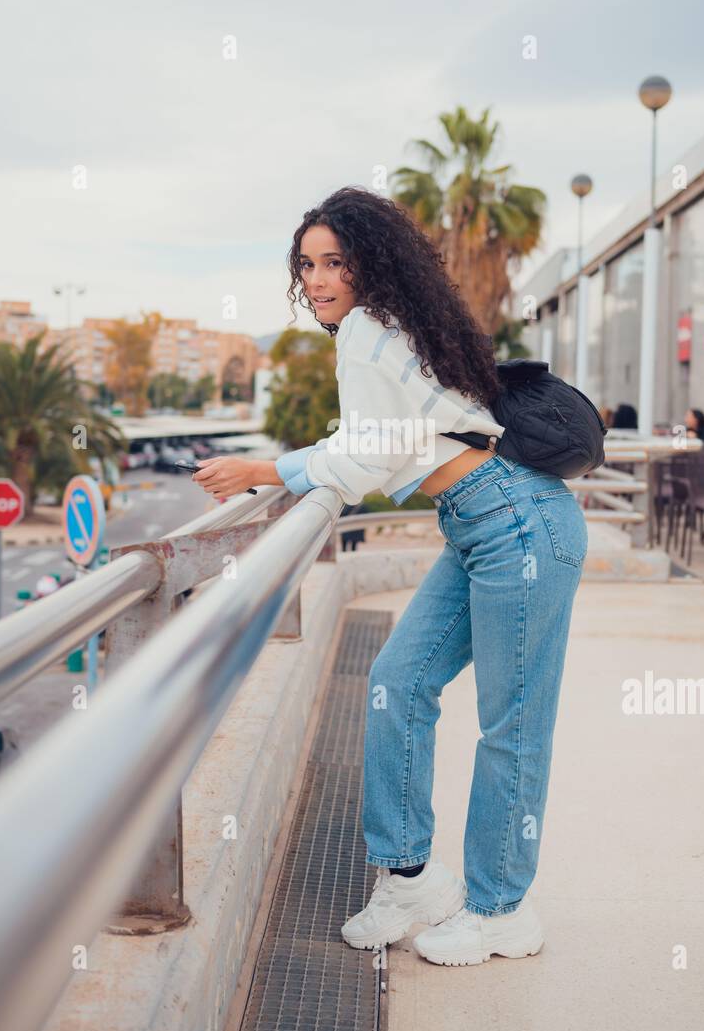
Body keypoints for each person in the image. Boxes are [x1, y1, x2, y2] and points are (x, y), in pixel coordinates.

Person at [191, 187, 588, 968]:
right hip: (484, 524)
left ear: (369, 264)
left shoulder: (369, 331)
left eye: (334, 262)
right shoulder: (397, 328)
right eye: (306, 265)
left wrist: (267, 467)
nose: (317, 280)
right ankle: (409, 876)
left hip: (516, 525)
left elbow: (368, 459)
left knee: (512, 727)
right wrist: (297, 463)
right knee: (397, 681)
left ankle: (502, 910)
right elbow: (372, 435)